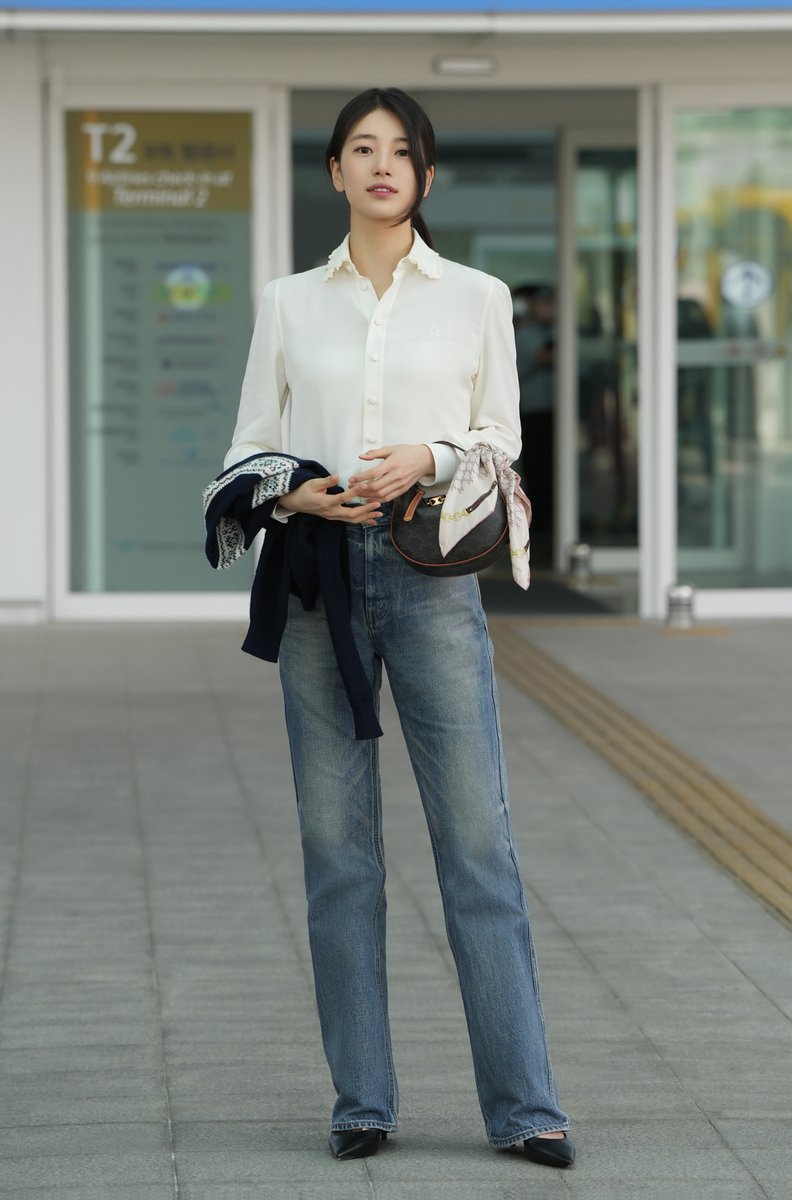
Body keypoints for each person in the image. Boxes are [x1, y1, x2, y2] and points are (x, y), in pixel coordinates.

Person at [219, 87, 574, 1170]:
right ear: (331, 172)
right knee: (337, 854)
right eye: (360, 149)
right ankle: (360, 1100)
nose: (382, 165)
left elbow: (500, 440)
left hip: (430, 580)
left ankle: (524, 1109)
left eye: (402, 150)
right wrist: (294, 497)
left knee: (477, 844)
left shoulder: (474, 297)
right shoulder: (287, 302)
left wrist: (428, 455)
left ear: (426, 176)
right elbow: (249, 449)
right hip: (319, 579)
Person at [512, 284, 556, 555]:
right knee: (536, 465)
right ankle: (539, 520)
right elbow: (542, 356)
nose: (547, 310)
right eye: (542, 304)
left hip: (557, 411)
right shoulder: (526, 335)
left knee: (555, 467)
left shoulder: (559, 332)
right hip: (533, 409)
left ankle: (553, 517)